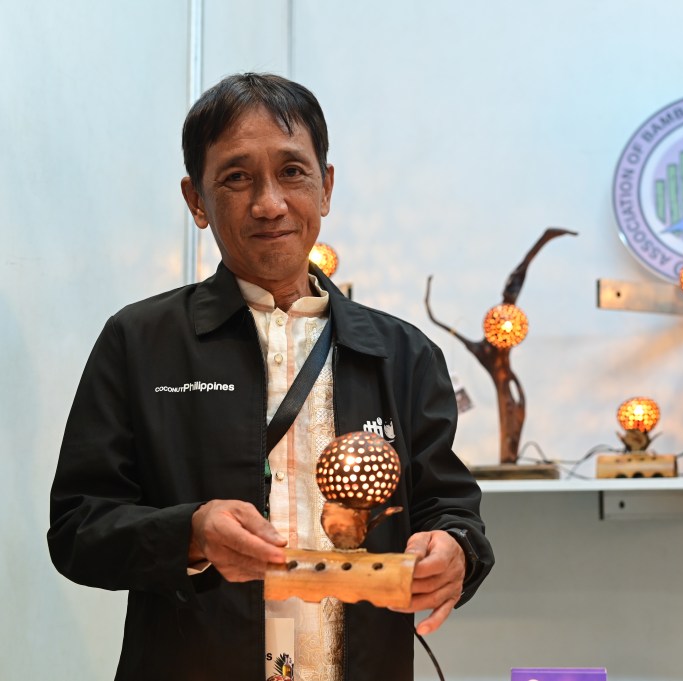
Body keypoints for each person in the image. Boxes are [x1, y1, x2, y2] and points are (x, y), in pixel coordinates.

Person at [48, 73, 494, 681]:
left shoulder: (403, 353)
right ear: (196, 200)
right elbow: (78, 529)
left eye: (292, 171)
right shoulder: (140, 342)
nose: (269, 203)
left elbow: (449, 505)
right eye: (236, 177)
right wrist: (191, 534)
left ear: (326, 186)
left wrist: (456, 550)